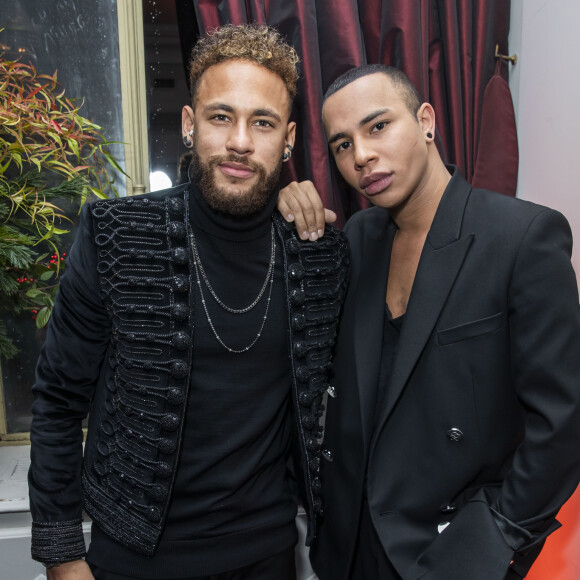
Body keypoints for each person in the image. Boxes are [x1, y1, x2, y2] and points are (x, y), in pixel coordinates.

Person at [28, 24, 349, 580]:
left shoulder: (318, 256)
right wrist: (62, 554)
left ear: (290, 139)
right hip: (130, 560)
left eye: (263, 122)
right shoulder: (117, 235)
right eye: (221, 116)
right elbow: (57, 400)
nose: (240, 141)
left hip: (267, 557)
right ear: (189, 123)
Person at [278, 64, 580, 579]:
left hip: (451, 552)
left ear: (426, 121)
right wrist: (283, 210)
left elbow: (563, 423)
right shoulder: (357, 241)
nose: (362, 156)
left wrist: (494, 538)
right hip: (349, 552)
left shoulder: (522, 237)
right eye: (342, 145)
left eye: (377, 127)